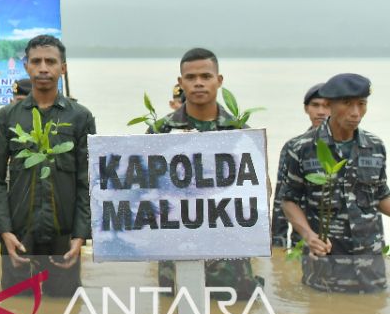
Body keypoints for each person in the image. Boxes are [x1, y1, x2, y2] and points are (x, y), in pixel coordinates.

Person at [0, 35, 95, 297]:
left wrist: (80, 237)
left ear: (63, 68)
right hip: (20, 233)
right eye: (36, 61)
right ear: (26, 66)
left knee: (65, 313)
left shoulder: (80, 117)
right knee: (16, 313)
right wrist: (5, 232)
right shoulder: (7, 117)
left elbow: (87, 182)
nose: (43, 68)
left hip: (64, 234)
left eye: (50, 61)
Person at [150, 48, 262, 297]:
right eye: (191, 77)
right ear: (181, 83)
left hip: (231, 261)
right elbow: (141, 192)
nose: (198, 83)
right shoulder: (160, 133)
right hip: (176, 257)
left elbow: (259, 192)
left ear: (219, 80)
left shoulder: (241, 133)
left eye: (206, 76)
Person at [280, 73, 389, 293]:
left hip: (371, 264)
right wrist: (309, 236)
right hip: (326, 265)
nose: (356, 113)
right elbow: (289, 201)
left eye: (361, 104)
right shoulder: (302, 147)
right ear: (329, 105)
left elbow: (381, 197)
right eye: (347, 104)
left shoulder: (375, 145)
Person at [271, 83, 328, 247]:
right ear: (306, 108)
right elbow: (281, 197)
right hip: (304, 239)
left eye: (327, 106)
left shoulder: (349, 145)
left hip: (344, 242)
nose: (321, 112)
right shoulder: (294, 146)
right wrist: (278, 243)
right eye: (315, 105)